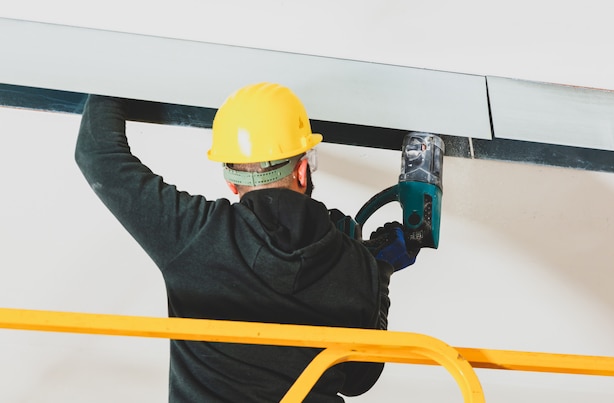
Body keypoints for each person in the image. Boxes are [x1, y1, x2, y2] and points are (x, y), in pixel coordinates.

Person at [75, 82, 418, 402]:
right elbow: (361, 379)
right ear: (302, 170)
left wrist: (116, 73)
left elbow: (98, 156)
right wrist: (378, 273)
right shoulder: (356, 265)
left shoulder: (196, 232)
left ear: (232, 183)